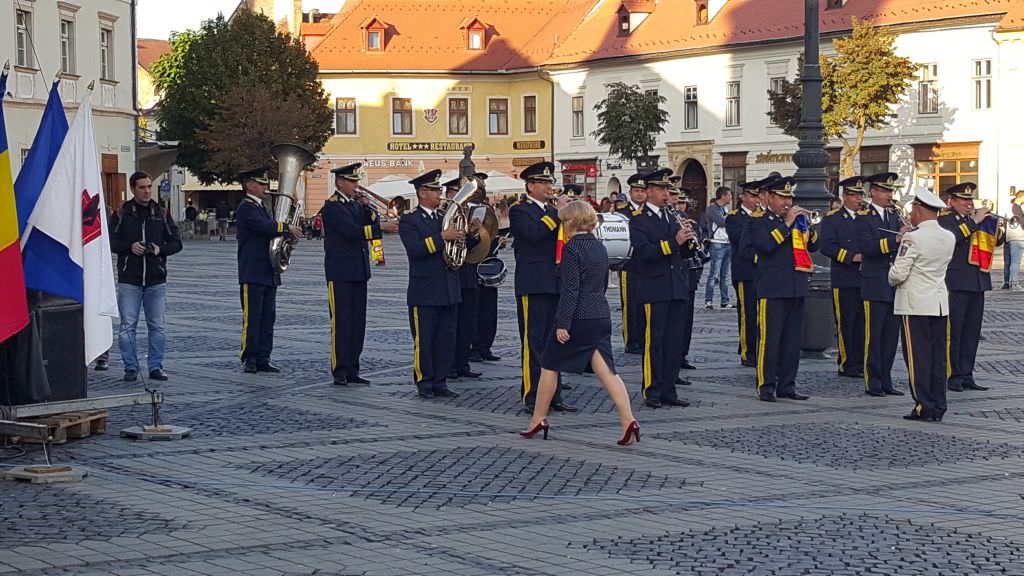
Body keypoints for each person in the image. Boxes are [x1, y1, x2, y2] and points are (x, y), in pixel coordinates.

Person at [519, 201, 639, 445]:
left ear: (570, 223)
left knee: (549, 365)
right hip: (600, 315)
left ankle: (538, 419)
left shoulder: (572, 250)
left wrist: (562, 324)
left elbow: (570, 291)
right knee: (608, 373)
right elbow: (603, 284)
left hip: (578, 318)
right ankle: (628, 419)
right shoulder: (599, 247)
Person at [322, 163, 397, 386]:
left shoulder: (355, 206)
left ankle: (353, 368)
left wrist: (369, 209)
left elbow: (368, 224)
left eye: (356, 182)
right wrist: (382, 228)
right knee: (342, 323)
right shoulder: (332, 207)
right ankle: (339, 369)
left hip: (359, 271)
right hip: (340, 273)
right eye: (352, 182)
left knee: (357, 323)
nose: (357, 186)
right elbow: (351, 232)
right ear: (340, 183)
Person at [510, 161, 575, 412]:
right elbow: (533, 234)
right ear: (531, 186)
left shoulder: (551, 209)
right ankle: (533, 395)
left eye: (550, 182)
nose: (550, 187)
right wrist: (555, 213)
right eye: (545, 183)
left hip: (556, 282)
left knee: (556, 341)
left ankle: (554, 395)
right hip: (533, 283)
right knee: (533, 341)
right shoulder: (520, 210)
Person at [887, 187, 954, 421]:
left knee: (917, 358)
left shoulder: (912, 237)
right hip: (938, 303)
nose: (911, 213)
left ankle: (923, 405)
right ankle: (938, 404)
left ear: (920, 210)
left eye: (913, 208)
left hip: (914, 304)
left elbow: (898, 274)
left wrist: (890, 271)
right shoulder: (948, 236)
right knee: (937, 357)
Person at [108, 172, 182, 382]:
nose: (147, 191)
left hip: (155, 278)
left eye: (150, 187)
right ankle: (130, 367)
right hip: (129, 278)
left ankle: (156, 367)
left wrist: (160, 250)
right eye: (142, 187)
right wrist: (129, 247)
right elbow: (110, 241)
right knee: (127, 326)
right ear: (133, 188)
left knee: (157, 326)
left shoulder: (161, 212)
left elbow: (177, 243)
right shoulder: (121, 213)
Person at [749, 176, 816, 402]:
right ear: (767, 197)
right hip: (773, 288)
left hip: (796, 286)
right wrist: (786, 223)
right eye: (781, 197)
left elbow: (814, 244)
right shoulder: (758, 220)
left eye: (789, 197)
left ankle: (787, 384)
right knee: (770, 340)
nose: (787, 202)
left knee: (792, 341)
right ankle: (766, 385)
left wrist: (807, 225)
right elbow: (766, 246)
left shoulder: (793, 220)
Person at [399, 169, 465, 399]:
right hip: (424, 290)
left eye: (440, 190)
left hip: (448, 288)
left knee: (446, 339)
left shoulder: (442, 218)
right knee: (425, 339)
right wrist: (442, 238)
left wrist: (472, 233)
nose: (440, 194)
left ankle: (440, 381)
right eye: (436, 190)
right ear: (422, 193)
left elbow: (459, 248)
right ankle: (425, 382)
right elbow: (416, 250)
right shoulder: (410, 220)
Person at [629, 168, 692, 409]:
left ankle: (669, 389)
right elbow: (644, 252)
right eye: (662, 189)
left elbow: (682, 252)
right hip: (654, 287)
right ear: (648, 192)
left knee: (674, 342)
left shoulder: (672, 216)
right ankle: (652, 390)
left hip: (676, 286)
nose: (667, 194)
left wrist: (688, 241)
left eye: (668, 189)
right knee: (655, 342)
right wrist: (674, 242)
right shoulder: (639, 219)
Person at [938, 182, 1005, 392]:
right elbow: (952, 240)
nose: (968, 204)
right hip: (956, 283)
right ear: (952, 201)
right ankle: (952, 374)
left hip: (977, 282)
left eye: (970, 200)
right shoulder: (944, 221)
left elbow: (997, 242)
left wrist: (995, 226)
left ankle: (967, 373)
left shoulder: (976, 220)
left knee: (971, 333)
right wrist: (974, 222)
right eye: (964, 200)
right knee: (954, 331)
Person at [236, 168, 302, 374]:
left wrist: (289, 230)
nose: (266, 188)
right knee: (252, 317)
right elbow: (264, 227)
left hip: (267, 270)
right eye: (261, 184)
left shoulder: (262, 207)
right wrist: (286, 228)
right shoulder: (246, 208)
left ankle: (264, 356)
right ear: (249, 185)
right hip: (252, 270)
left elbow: (271, 227)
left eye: (266, 184)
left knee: (267, 317)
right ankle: (250, 358)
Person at [855, 172, 908, 397]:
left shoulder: (895, 215)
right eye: (885, 191)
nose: (890, 195)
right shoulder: (864, 217)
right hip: (874, 282)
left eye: (891, 191)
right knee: (873, 336)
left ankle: (886, 379)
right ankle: (873, 381)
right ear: (873, 192)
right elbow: (866, 247)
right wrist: (894, 240)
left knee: (889, 337)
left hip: (893, 282)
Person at [819, 176, 867, 379]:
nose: (859, 199)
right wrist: (850, 257)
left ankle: (861, 363)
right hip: (844, 277)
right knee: (847, 322)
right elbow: (827, 246)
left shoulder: (866, 217)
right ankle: (847, 363)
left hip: (865, 278)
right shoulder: (833, 219)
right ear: (846, 196)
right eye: (855, 195)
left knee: (863, 325)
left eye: (861, 195)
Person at [444, 174, 484, 380]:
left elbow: (467, 246)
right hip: (453, 276)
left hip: (468, 275)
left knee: (467, 323)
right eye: (455, 193)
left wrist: (474, 234)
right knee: (453, 325)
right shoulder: (445, 217)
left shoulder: (464, 215)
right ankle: (449, 365)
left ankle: (462, 363)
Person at [726, 178, 765, 368]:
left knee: (761, 314)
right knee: (747, 313)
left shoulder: (762, 216)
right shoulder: (734, 217)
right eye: (752, 196)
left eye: (758, 196)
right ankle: (747, 351)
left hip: (763, 272)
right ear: (743, 197)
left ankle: (759, 347)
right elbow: (739, 240)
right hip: (744, 271)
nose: (756, 200)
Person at [616, 174, 648, 354]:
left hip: (646, 262)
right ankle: (631, 339)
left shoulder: (649, 211)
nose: (640, 195)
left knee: (645, 302)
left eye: (643, 191)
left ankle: (644, 337)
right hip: (629, 264)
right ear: (630, 192)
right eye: (636, 191)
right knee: (630, 304)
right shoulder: (622, 213)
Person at [675, 187, 703, 375]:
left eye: (681, 201)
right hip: (669, 279)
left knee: (686, 321)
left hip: (688, 275)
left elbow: (690, 249)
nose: (679, 204)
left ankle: (681, 356)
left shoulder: (682, 218)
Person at [702, 186, 733, 310]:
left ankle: (724, 301)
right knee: (713, 274)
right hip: (717, 243)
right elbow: (722, 222)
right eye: (729, 195)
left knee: (725, 275)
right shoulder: (712, 209)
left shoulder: (724, 208)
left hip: (727, 242)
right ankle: (708, 301)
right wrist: (731, 220)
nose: (731, 198)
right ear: (723, 196)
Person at [1001, 189, 1024, 289]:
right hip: (1018, 237)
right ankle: (1014, 283)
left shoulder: (1007, 207)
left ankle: (1007, 283)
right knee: (1015, 262)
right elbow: (1021, 222)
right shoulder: (1017, 208)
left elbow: (1003, 222)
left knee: (1008, 262)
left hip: (1008, 237)